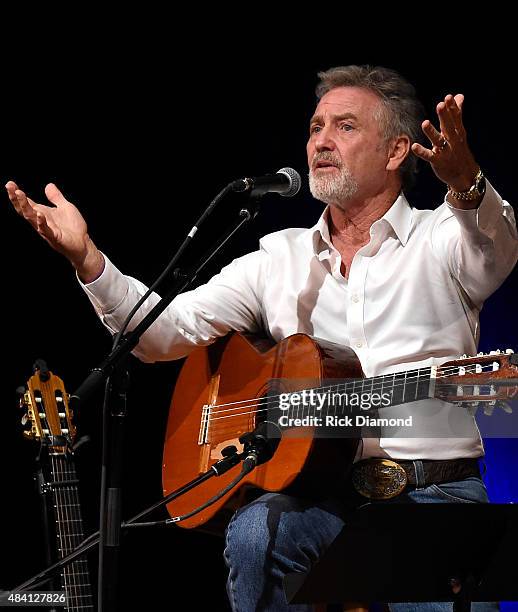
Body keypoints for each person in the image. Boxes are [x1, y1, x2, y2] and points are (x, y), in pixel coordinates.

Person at [7, 65, 518, 611]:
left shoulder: (441, 237)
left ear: (396, 152)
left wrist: (466, 184)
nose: (321, 140)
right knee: (257, 533)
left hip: (431, 491)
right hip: (319, 497)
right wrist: (88, 260)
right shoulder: (280, 256)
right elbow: (164, 332)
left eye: (345, 127)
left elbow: (495, 250)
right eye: (315, 126)